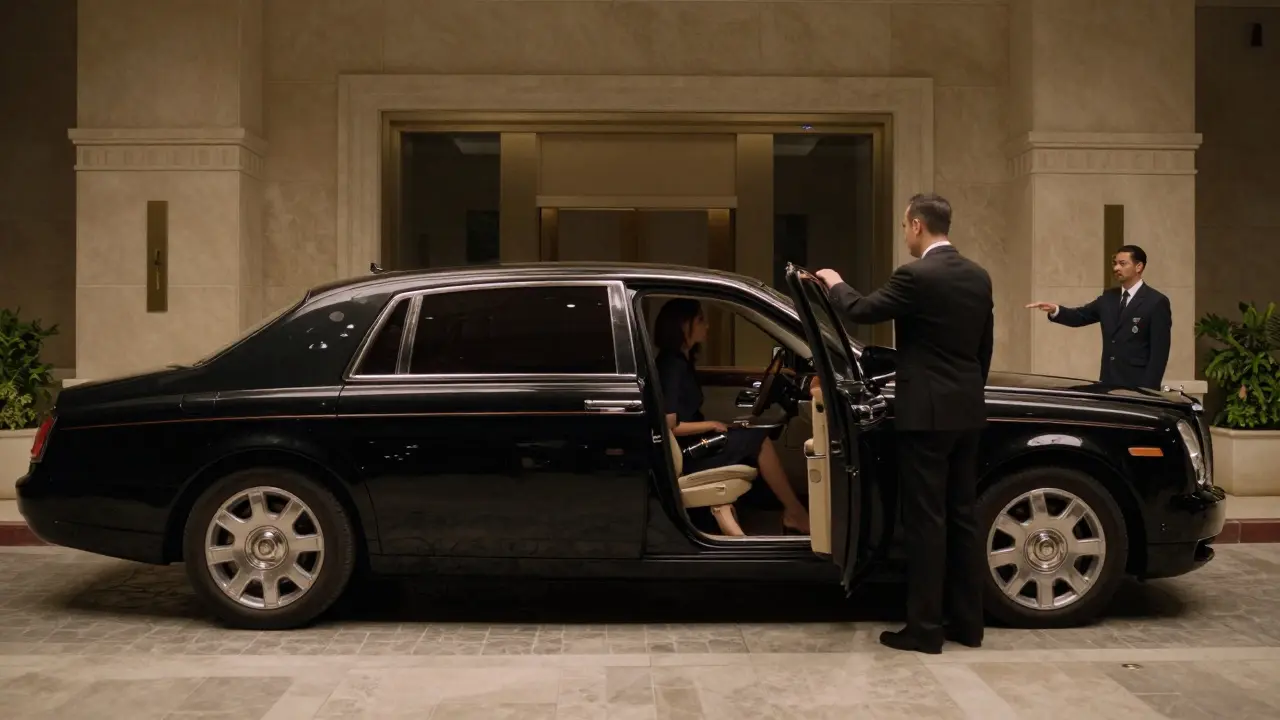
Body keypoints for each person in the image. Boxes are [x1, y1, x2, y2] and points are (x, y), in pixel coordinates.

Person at [815, 192, 992, 655]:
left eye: (903, 226)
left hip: (926, 415)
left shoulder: (915, 275)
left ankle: (925, 629)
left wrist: (834, 282)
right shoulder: (978, 276)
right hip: (968, 410)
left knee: (926, 523)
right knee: (963, 518)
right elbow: (983, 348)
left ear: (916, 224)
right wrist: (967, 394)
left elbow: (860, 311)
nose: (905, 235)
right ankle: (968, 627)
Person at [652, 298, 811, 536]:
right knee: (759, 440)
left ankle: (788, 513)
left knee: (749, 434)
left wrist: (720, 426)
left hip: (694, 443)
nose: (707, 326)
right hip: (687, 453)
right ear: (682, 325)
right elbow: (668, 425)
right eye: (700, 320)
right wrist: (712, 424)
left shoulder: (682, 362)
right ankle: (794, 513)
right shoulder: (671, 366)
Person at [1026, 245, 1171, 390]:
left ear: (1138, 266)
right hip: (1108, 382)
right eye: (1115, 263)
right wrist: (1055, 310)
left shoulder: (1156, 302)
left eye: (1122, 264)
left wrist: (1149, 390)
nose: (1116, 268)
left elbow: (1159, 353)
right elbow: (1080, 316)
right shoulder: (1108, 298)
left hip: (1137, 387)